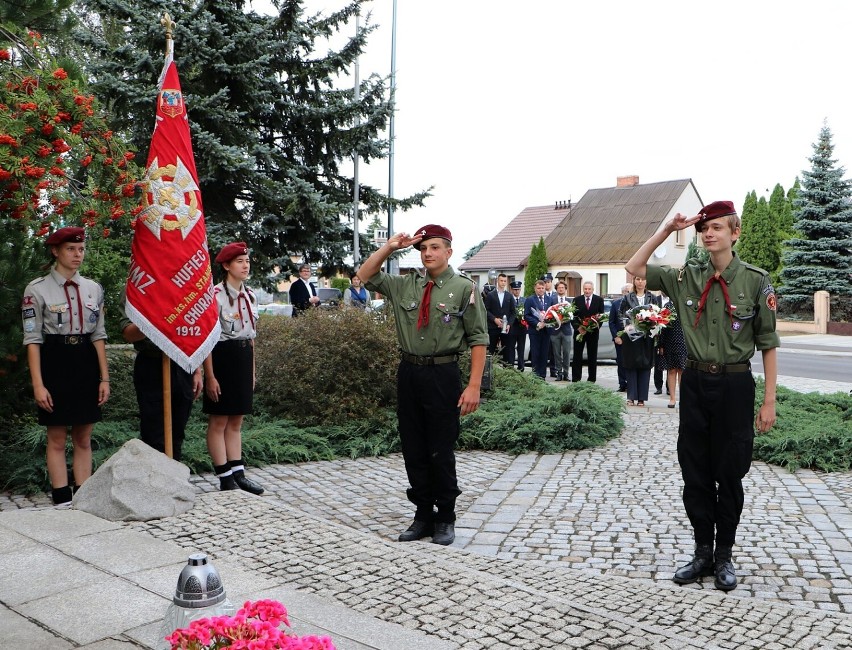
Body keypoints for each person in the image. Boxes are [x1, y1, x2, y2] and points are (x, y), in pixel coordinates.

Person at [626, 199, 779, 592]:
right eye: (702, 228)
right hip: (694, 384)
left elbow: (767, 342)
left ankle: (724, 553)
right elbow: (634, 267)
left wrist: (769, 400)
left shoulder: (756, 281)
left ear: (735, 233)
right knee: (695, 472)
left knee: (729, 474)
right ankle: (702, 553)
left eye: (717, 227)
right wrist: (667, 228)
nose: (708, 233)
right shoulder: (685, 277)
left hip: (734, 385)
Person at [357, 224, 487, 546]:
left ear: (448, 252)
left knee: (440, 449)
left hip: (443, 375)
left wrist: (473, 386)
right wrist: (390, 247)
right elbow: (365, 274)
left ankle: (446, 517)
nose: (427, 253)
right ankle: (422, 516)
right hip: (410, 372)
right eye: (423, 248)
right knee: (414, 448)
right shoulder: (405, 286)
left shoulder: (463, 288)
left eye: (434, 247)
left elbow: (478, 339)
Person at [22, 227, 110, 505]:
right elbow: (33, 339)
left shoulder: (93, 289)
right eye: (71, 249)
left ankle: (83, 496)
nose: (77, 254)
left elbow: (98, 335)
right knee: (57, 435)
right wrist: (38, 384)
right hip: (55, 360)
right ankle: (61, 497)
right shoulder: (36, 289)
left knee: (84, 436)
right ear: (56, 251)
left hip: (85, 360)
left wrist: (104, 378)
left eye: (81, 249)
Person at [203, 242, 265, 495]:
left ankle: (238, 472)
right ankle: (224, 474)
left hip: (242, 356)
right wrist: (210, 375)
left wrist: (251, 371)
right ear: (227, 266)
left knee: (237, 420)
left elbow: (251, 337)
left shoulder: (250, 295)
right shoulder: (215, 295)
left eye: (247, 261)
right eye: (239, 261)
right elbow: (207, 338)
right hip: (221, 357)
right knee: (219, 420)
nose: (245, 265)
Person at [120, 293, 203, 461]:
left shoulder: (186, 284)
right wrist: (155, 319)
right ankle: (155, 483)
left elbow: (196, 330)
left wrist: (196, 368)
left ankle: (175, 481)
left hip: (183, 361)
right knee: (153, 434)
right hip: (152, 363)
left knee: (177, 432)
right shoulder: (138, 284)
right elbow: (128, 333)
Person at [614, 277, 660, 406]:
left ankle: (641, 398)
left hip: (647, 336)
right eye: (638, 279)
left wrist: (650, 324)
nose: (640, 282)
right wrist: (629, 325)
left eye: (643, 279)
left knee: (645, 365)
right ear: (634, 281)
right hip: (631, 336)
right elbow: (621, 314)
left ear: (647, 282)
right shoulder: (627, 297)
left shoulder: (652, 298)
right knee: (631, 365)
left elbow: (658, 315)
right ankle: (631, 396)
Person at [571, 281, 605, 382]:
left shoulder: (599, 300)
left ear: (592, 289)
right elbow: (573, 316)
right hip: (579, 332)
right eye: (585, 289)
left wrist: (593, 326)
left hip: (593, 332)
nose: (587, 291)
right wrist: (578, 327)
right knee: (577, 356)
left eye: (589, 289)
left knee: (592, 356)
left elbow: (601, 317)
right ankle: (576, 379)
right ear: (583, 289)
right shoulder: (577, 300)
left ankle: (591, 379)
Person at [659, 298, 687, 408]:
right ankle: (672, 398)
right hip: (669, 341)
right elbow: (662, 326)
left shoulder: (686, 304)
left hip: (684, 341)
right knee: (671, 370)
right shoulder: (667, 306)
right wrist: (661, 344)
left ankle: (682, 398)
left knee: (682, 370)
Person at [483, 273, 516, 366]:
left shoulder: (509, 296)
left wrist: (509, 324)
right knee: (492, 350)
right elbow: (486, 310)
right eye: (501, 280)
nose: (503, 283)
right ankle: (490, 369)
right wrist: (494, 319)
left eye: (505, 281)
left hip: (505, 328)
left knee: (507, 350)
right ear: (497, 281)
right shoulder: (490, 295)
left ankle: (507, 371)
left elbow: (513, 312)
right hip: (493, 327)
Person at [524, 280, 552, 379]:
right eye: (539, 288)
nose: (540, 290)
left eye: (542, 288)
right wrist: (537, 323)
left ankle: (543, 376)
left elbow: (553, 314)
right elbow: (526, 315)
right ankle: (535, 377)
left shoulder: (549, 299)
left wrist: (546, 322)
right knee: (535, 354)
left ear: (545, 288)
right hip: (535, 331)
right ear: (535, 289)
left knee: (544, 354)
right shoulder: (530, 300)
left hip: (546, 331)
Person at [609, 283, 632, 392]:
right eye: (626, 291)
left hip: (633, 338)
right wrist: (615, 336)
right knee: (621, 362)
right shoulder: (616, 304)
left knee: (631, 361)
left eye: (630, 291)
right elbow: (612, 322)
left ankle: (632, 383)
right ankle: (622, 384)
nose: (628, 293)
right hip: (620, 338)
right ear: (622, 293)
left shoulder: (634, 303)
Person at [549, 280, 573, 381]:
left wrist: (565, 319)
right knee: (556, 353)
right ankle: (558, 373)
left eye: (562, 288)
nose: (561, 289)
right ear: (556, 289)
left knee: (567, 353)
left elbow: (573, 315)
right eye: (559, 288)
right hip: (555, 331)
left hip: (566, 330)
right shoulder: (552, 300)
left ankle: (566, 373)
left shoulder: (570, 301)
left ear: (565, 289)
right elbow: (548, 314)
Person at [509, 281, 527, 371]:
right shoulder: (509, 299)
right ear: (512, 290)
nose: (517, 291)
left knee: (521, 347)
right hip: (512, 327)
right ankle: (511, 365)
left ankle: (521, 366)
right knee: (511, 347)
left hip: (522, 327)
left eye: (518, 289)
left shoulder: (524, 300)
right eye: (515, 290)